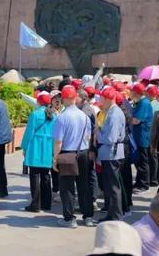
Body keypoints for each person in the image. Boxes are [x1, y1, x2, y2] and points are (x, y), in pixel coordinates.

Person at [53, 84, 95, 228]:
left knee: (67, 187)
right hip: (83, 153)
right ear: (75, 97)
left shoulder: (62, 118)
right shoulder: (84, 116)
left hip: (67, 154)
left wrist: (55, 159)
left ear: (63, 98)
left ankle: (69, 218)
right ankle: (88, 216)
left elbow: (58, 141)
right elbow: (89, 138)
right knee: (84, 185)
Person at [20, 91, 55, 212]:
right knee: (46, 175)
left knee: (34, 175)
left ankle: (35, 204)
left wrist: (24, 147)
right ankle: (47, 203)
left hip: (35, 146)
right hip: (48, 146)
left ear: (39, 101)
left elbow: (29, 133)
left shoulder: (35, 114)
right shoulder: (54, 115)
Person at [97, 86, 126, 222]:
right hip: (111, 153)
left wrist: (99, 134)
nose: (100, 99)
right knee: (111, 186)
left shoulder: (114, 114)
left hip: (111, 153)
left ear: (107, 99)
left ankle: (115, 214)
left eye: (102, 97)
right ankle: (112, 213)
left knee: (113, 186)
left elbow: (111, 138)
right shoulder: (112, 111)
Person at [131, 83, 153, 192]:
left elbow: (136, 120)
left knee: (142, 162)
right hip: (139, 136)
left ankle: (144, 184)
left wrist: (126, 119)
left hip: (142, 137)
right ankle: (139, 182)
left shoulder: (143, 103)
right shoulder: (139, 102)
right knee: (139, 161)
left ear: (136, 92)